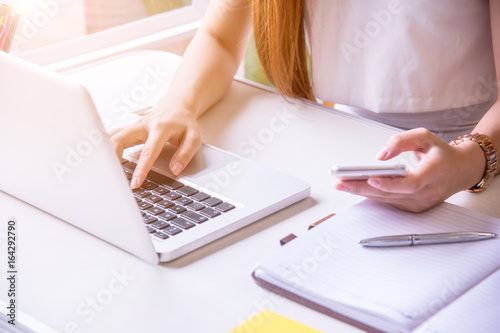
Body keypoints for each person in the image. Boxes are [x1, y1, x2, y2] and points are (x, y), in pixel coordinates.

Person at [109, 0, 500, 213]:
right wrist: (178, 103)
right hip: (346, 145)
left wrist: (468, 161)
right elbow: (219, 36)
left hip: (479, 154)